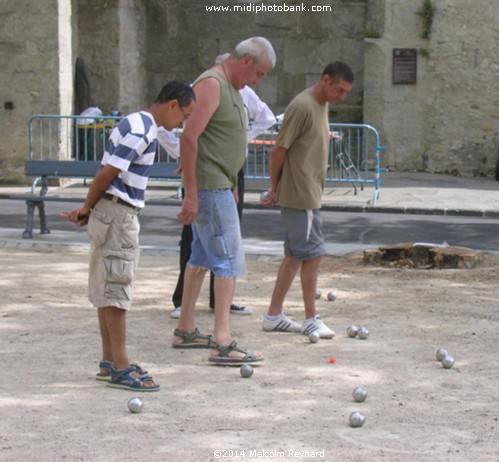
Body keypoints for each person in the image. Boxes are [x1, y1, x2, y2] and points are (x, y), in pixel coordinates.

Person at [61, 81, 196, 391]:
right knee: (117, 289)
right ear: (173, 104)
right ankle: (120, 364)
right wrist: (86, 206)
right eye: (185, 115)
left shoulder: (132, 121)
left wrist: (89, 209)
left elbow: (109, 173)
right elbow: (108, 172)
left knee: (106, 287)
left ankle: (110, 361)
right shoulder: (143, 130)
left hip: (109, 211)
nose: (182, 123)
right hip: (119, 214)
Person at [171, 37, 275, 365]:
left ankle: (186, 328)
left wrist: (231, 181)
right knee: (228, 262)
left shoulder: (229, 86)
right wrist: (190, 193)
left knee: (200, 259)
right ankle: (223, 341)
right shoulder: (212, 83)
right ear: (245, 62)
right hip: (209, 187)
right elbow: (189, 137)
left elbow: (215, 141)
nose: (257, 81)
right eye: (259, 74)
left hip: (220, 184)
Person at [260, 61, 354, 339]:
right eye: (339, 90)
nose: (342, 96)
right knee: (314, 253)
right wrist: (274, 187)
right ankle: (311, 318)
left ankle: (273, 315)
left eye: (346, 92)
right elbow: (278, 150)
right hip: (301, 194)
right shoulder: (302, 106)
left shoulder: (322, 104)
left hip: (307, 192)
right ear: (325, 80)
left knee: (294, 256)